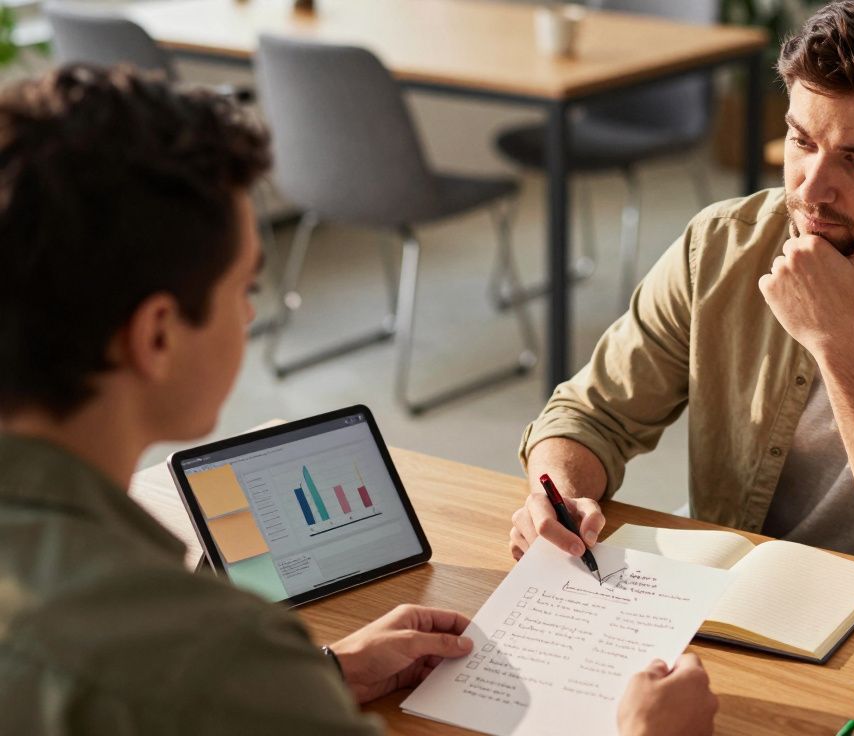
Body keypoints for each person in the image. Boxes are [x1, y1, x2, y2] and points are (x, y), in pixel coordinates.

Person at [0, 65, 717, 735]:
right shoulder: (207, 653)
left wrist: (321, 674)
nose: (249, 315)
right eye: (246, 288)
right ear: (157, 334)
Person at [510, 0, 854, 603]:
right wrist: (558, 493)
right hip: (747, 602)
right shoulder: (720, 245)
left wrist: (838, 337)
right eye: (801, 141)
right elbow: (590, 415)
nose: (811, 187)